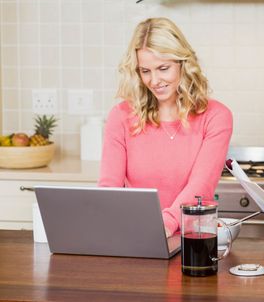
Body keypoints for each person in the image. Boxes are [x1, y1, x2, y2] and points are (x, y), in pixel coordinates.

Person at [98, 17, 233, 238]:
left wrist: (166, 224)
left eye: (163, 68)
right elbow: (108, 187)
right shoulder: (121, 116)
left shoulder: (216, 116)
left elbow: (201, 185)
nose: (154, 80)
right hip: (137, 236)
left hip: (193, 238)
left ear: (183, 64)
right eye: (145, 71)